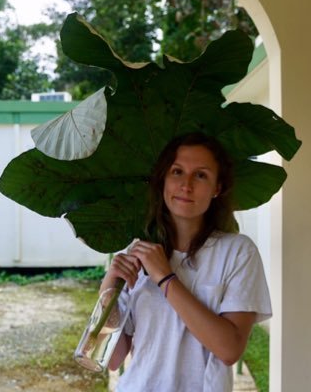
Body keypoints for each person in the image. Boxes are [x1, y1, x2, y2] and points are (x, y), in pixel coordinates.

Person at [100, 132, 272, 392]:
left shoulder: (237, 252)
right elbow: (111, 357)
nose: (186, 185)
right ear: (163, 181)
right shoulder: (139, 253)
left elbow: (229, 349)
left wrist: (166, 278)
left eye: (201, 175)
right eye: (177, 171)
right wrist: (108, 286)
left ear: (217, 188)